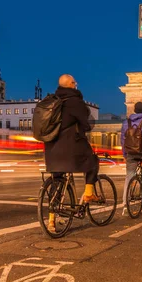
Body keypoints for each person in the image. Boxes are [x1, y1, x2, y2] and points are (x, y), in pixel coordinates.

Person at [44, 74, 99, 232]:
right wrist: (86, 128)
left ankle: (51, 220)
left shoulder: (52, 101)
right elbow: (86, 123)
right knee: (92, 161)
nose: (76, 85)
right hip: (70, 147)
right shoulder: (75, 101)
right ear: (72, 84)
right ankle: (89, 192)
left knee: (57, 180)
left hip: (51, 148)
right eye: (75, 82)